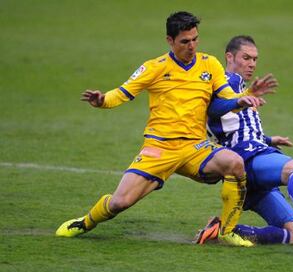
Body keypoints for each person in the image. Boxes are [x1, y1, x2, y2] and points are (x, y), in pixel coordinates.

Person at [55, 13, 277, 247]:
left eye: (195, 39)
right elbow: (121, 93)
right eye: (185, 41)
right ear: (170, 41)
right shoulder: (154, 67)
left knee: (234, 163)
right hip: (159, 148)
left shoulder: (209, 64)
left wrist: (245, 97)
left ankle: (226, 231)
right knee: (120, 202)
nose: (191, 46)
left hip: (195, 147)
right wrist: (102, 101)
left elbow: (227, 97)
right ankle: (85, 222)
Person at [194, 35, 293, 245]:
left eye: (255, 59)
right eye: (246, 57)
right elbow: (214, 111)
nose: (252, 64)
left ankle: (220, 230)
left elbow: (233, 127)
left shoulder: (240, 89)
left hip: (248, 166)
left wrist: (270, 139)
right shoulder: (228, 82)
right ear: (229, 57)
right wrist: (241, 100)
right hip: (249, 157)